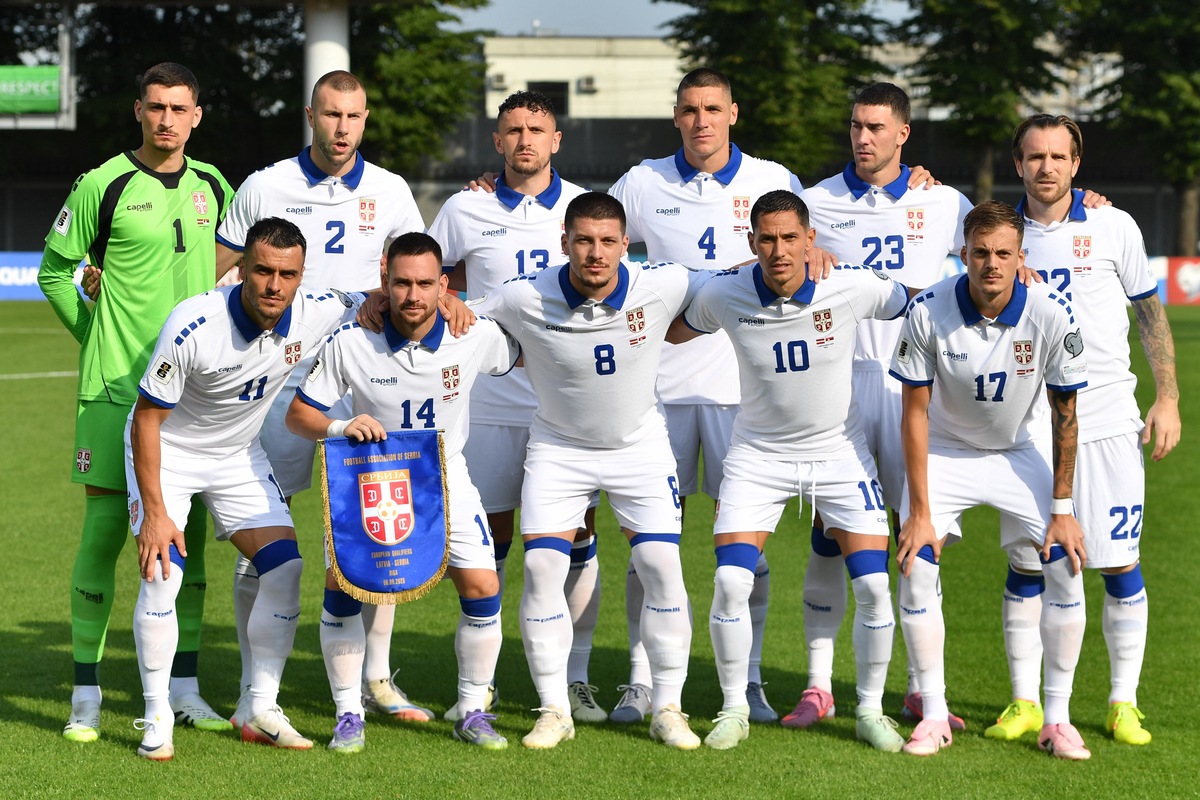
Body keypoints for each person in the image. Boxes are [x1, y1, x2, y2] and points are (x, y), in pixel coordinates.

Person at [213, 70, 428, 726]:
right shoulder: (265, 184)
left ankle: (378, 678)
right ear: (311, 115)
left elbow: (414, 269)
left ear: (365, 120)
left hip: (362, 385)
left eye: (354, 117)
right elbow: (220, 274)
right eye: (331, 115)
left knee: (375, 533)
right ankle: (257, 685)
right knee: (265, 535)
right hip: (277, 386)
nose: (342, 129)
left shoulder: (391, 192)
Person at [671, 189, 914, 751]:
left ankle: (871, 712)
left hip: (839, 454)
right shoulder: (725, 293)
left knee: (876, 587)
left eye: (790, 238)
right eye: (767, 239)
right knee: (732, 579)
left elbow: (917, 300)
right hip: (758, 456)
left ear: (811, 240)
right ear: (751, 243)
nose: (779, 250)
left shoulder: (848, 286)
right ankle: (734, 708)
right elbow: (673, 328)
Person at [37, 62, 235, 742]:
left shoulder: (215, 185)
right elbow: (55, 271)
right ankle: (86, 694)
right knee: (100, 537)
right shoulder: (103, 183)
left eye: (180, 108)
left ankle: (184, 688)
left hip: (192, 394)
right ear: (138, 110)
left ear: (197, 115)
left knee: (193, 544)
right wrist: (94, 333)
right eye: (156, 107)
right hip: (117, 388)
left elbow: (236, 264)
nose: (167, 119)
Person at [603, 66, 805, 725]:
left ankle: (744, 684)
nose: (701, 121)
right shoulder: (641, 181)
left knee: (743, 547)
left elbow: (809, 263)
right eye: (689, 109)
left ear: (734, 113)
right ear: (676, 117)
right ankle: (641, 681)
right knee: (650, 547)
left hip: (743, 393)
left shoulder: (773, 181)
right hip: (655, 391)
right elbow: (591, 245)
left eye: (712, 108)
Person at [126, 217, 362, 760]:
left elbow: (373, 298)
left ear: (301, 276)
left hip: (236, 456)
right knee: (164, 573)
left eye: (287, 274)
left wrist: (446, 302)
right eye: (262, 271)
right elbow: (145, 420)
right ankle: (157, 712)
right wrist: (157, 514)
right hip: (171, 452)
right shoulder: (193, 323)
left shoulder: (316, 308)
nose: (274, 285)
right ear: (241, 269)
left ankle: (258, 705)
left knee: (284, 568)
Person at [476, 192, 703, 750]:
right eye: (584, 241)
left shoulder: (664, 282)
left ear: (626, 245)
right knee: (542, 569)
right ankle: (554, 708)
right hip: (558, 449)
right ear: (565, 243)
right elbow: (457, 310)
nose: (595, 254)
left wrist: (805, 258)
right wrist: (382, 299)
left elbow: (737, 279)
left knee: (660, 564)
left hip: (639, 449)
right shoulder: (524, 294)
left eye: (607, 242)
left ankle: (668, 707)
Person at [983, 114, 1180, 746]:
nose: (1046, 166)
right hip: (1029, 426)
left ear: (1076, 162)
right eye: (1034, 156)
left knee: (1120, 562)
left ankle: (1124, 702)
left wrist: (1168, 396)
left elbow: (1150, 312)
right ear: (1018, 165)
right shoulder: (998, 235)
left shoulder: (1114, 224)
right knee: (1029, 564)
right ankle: (1025, 702)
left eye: (1058, 156)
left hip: (1109, 417)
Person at [285, 232, 518, 752]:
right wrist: (343, 428)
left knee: (482, 586)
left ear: (443, 285)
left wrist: (467, 307)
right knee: (342, 587)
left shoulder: (473, 334)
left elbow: (522, 351)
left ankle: (473, 710)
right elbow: (298, 415)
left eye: (425, 284)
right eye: (402, 283)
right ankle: (349, 714)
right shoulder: (352, 341)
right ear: (384, 281)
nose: (413, 296)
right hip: (374, 481)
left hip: (445, 477)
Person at [787, 82, 973, 730]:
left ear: (904, 134)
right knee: (827, 540)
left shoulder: (942, 199)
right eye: (855, 126)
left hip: (918, 390)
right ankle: (817, 687)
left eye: (875, 127)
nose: (862, 138)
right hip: (840, 388)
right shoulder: (815, 201)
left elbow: (1001, 247)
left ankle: (926, 693)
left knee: (919, 538)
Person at [427, 91, 605, 723]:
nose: (525, 139)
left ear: (557, 140)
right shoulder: (464, 206)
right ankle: (488, 678)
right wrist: (447, 296)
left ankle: (575, 678)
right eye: (513, 130)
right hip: (493, 403)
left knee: (575, 539)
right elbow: (427, 274)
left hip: (567, 405)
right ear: (496, 141)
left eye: (537, 129)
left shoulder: (584, 208)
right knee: (489, 542)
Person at [891, 200, 1091, 759]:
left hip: (1017, 452)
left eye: (1004, 253)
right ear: (963, 256)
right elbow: (913, 412)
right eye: (980, 253)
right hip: (946, 451)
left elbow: (1065, 414)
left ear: (1020, 257)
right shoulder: (928, 309)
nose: (991, 264)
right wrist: (921, 513)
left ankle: (1057, 718)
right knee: (914, 566)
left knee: (1066, 563)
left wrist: (1063, 506)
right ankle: (932, 715)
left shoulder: (1051, 311)